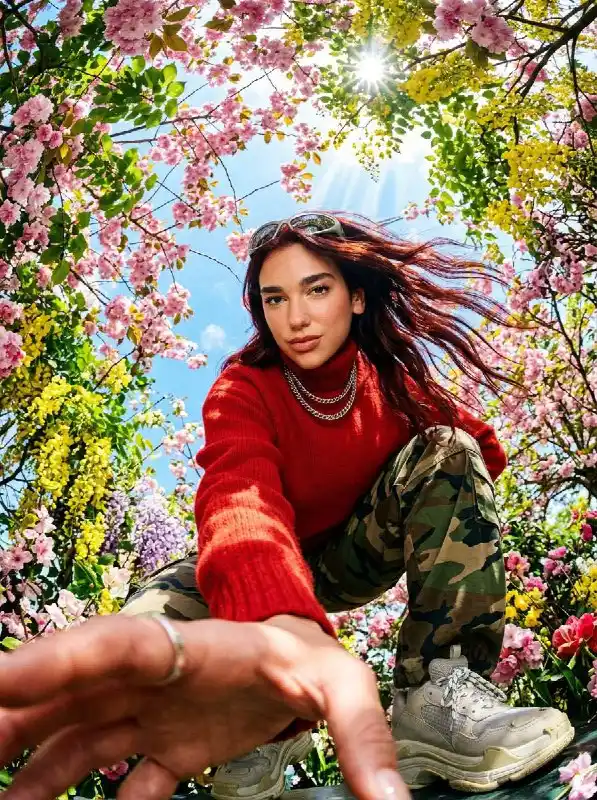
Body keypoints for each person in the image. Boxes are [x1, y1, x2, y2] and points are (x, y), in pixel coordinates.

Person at [118, 211, 573, 798]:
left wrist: (429, 500)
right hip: (265, 561)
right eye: (275, 299)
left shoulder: (393, 383)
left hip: (356, 552)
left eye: (317, 290)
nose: (296, 318)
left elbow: (481, 450)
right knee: (141, 630)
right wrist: (274, 628)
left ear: (356, 297)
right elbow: (238, 496)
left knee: (450, 449)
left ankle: (435, 695)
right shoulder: (243, 388)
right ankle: (262, 725)